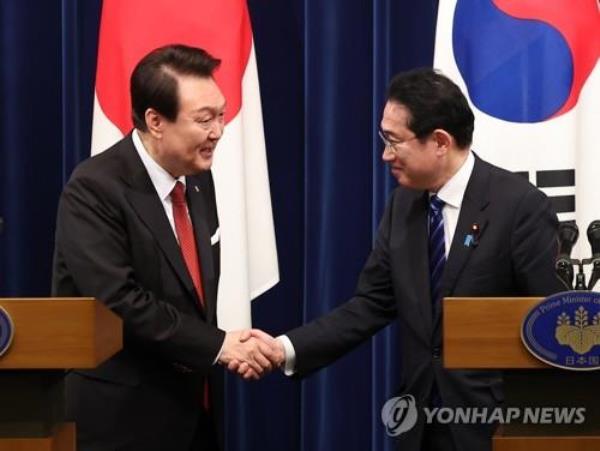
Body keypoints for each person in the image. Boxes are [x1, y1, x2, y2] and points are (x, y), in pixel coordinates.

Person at [235, 68, 564, 451]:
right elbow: (370, 305)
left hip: (495, 428)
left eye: (394, 141)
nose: (385, 154)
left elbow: (550, 321)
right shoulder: (403, 205)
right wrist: (283, 349)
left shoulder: (519, 206)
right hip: (420, 425)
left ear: (439, 141)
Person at [52, 44, 276, 451]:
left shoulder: (197, 179)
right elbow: (118, 301)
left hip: (191, 416)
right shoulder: (95, 188)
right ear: (155, 120)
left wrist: (222, 342)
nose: (219, 131)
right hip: (119, 422)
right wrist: (218, 344)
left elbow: (189, 295)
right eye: (204, 119)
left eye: (221, 115)